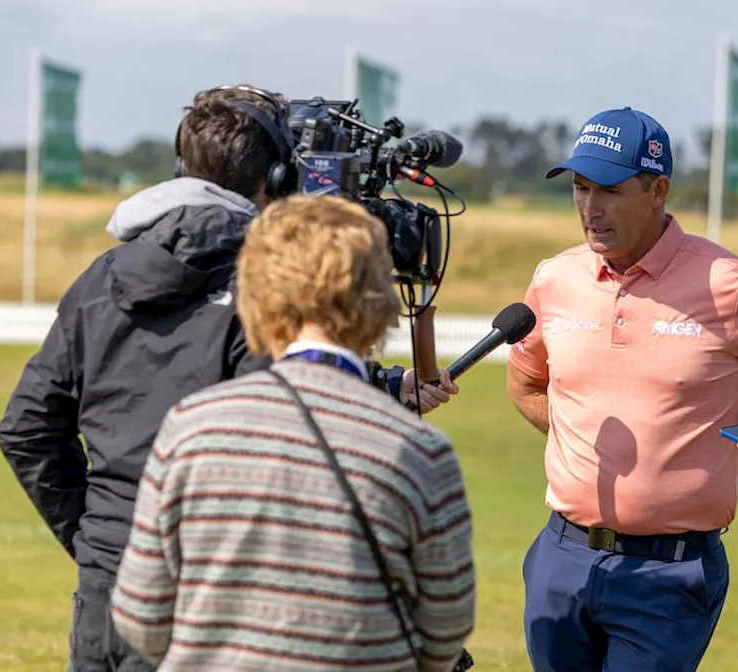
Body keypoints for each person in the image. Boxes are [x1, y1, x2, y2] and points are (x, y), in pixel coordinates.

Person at [0, 84, 454, 671]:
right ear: (280, 177)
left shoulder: (100, 276)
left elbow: (28, 427)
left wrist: (98, 538)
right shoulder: (269, 289)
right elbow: (292, 431)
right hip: (224, 601)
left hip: (109, 589)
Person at [506, 106, 738, 671]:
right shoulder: (555, 277)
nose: (590, 209)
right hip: (560, 556)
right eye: (580, 187)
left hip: (669, 572)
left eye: (610, 190)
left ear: (657, 189)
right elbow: (526, 385)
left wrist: (727, 464)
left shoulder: (733, 284)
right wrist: (590, 444)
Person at [109, 194, 475, 671]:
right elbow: (446, 628)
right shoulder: (419, 449)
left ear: (257, 295)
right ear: (380, 297)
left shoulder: (192, 428)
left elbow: (140, 613)